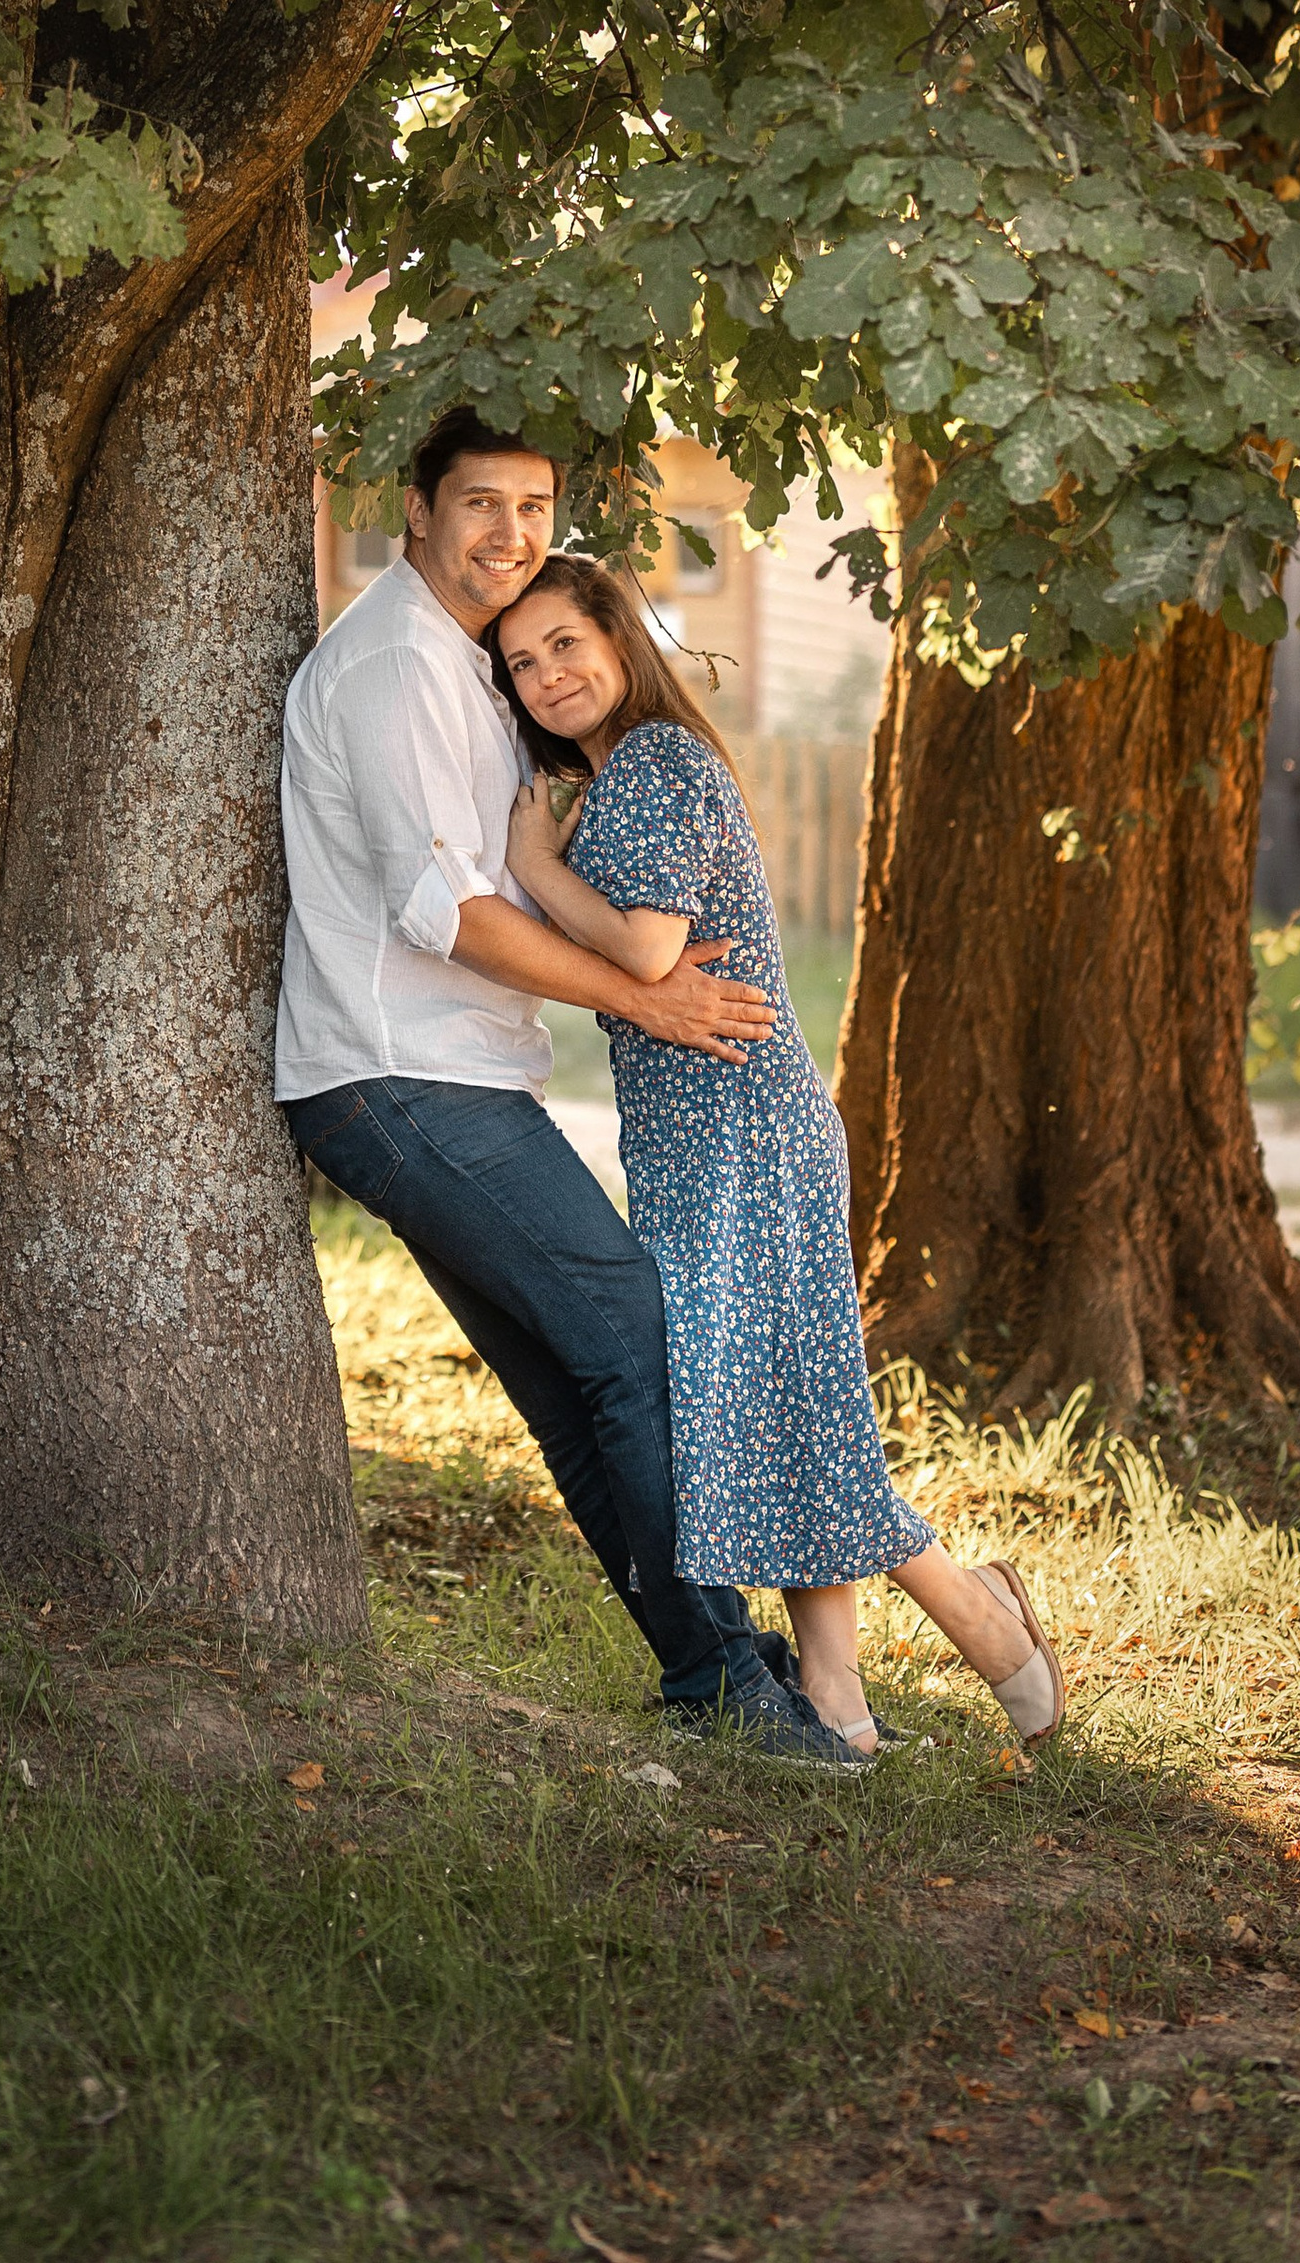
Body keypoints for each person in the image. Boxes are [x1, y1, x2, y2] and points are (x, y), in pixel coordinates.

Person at [279, 408, 867, 1766]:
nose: (509, 531)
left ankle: (710, 1667)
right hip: (402, 1073)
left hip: (438, 1071)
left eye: (533, 506)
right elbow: (447, 910)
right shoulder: (396, 665)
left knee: (570, 1379)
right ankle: (728, 1677)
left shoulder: (470, 661)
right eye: (479, 501)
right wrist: (646, 995)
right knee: (630, 1335)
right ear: (417, 508)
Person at [495, 556, 1064, 1752]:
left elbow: (649, 950)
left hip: (745, 1128)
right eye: (522, 661)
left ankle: (973, 1623)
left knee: (777, 1403)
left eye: (565, 642)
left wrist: (536, 866)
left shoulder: (655, 759)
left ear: (619, 635)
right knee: (780, 1402)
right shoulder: (618, 777)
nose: (547, 673)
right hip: (700, 1136)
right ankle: (842, 1680)